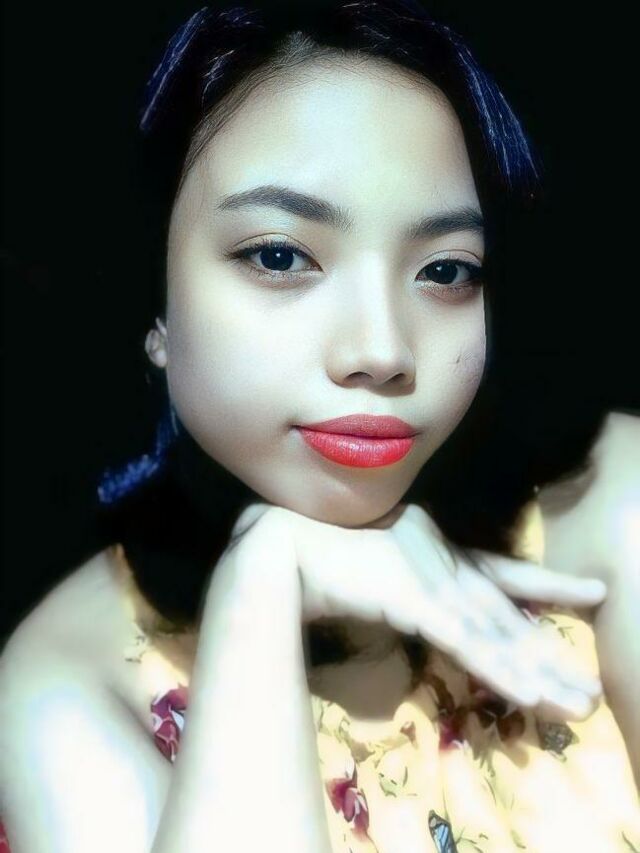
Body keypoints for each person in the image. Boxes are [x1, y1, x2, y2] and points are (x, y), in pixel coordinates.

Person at [0, 1, 638, 850]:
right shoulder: (67, 680)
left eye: (446, 271)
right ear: (154, 304)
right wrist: (262, 579)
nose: (381, 350)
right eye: (280, 256)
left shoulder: (609, 501)